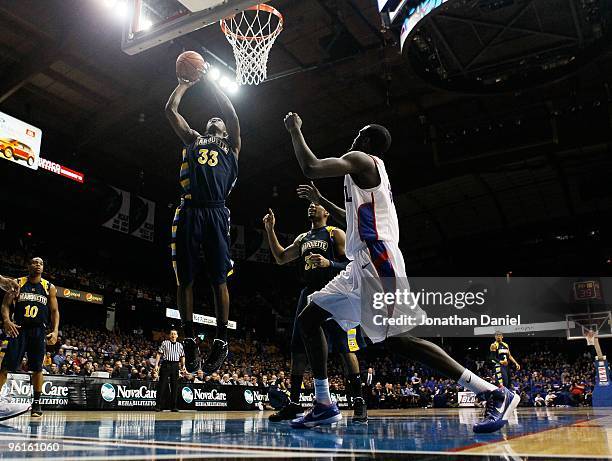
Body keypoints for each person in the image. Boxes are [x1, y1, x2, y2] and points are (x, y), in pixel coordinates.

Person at [283, 112, 519, 433]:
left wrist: (295, 130)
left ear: (367, 142)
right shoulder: (367, 175)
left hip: (378, 260)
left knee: (399, 341)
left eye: (359, 134)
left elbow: (310, 166)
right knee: (309, 318)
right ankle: (324, 403)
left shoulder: (360, 159)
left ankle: (492, 392)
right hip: (360, 262)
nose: (353, 139)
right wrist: (321, 199)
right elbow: (351, 220)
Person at [165, 62, 241, 374]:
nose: (215, 119)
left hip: (216, 212)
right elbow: (170, 111)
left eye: (219, 121)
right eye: (212, 119)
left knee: (218, 278)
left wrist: (212, 85)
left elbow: (232, 114)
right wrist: (183, 83)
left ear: (224, 131)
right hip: (189, 210)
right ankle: (188, 340)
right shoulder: (193, 139)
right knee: (185, 279)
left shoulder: (232, 146)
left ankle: (221, 340)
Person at [263, 203, 367, 423]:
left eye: (315, 205)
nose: (311, 207)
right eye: (308, 205)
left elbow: (353, 265)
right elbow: (281, 258)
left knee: (345, 348)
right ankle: (294, 404)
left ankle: (358, 401)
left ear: (326, 213)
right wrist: (270, 230)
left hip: (337, 291)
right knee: (297, 350)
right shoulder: (302, 238)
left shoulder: (334, 233)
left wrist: (329, 262)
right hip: (309, 293)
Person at [0, 258, 59, 420]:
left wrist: (55, 331)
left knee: (37, 368)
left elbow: (54, 311)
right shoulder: (17, 282)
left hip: (39, 330)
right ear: (28, 266)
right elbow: (5, 304)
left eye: (41, 263)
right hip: (18, 328)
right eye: (34, 262)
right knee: (6, 367)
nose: (38, 265)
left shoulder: (49, 287)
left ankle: (37, 404)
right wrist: (6, 320)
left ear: (43, 267)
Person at [155, 329, 186, 412]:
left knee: (175, 386)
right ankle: (158, 406)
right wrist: (156, 364)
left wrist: (183, 366)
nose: (173, 335)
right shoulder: (165, 343)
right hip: (166, 364)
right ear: (169, 335)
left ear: (177, 336)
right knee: (162, 385)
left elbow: (182, 356)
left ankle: (174, 406)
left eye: (174, 334)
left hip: (175, 365)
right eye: (171, 334)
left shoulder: (180, 345)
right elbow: (159, 354)